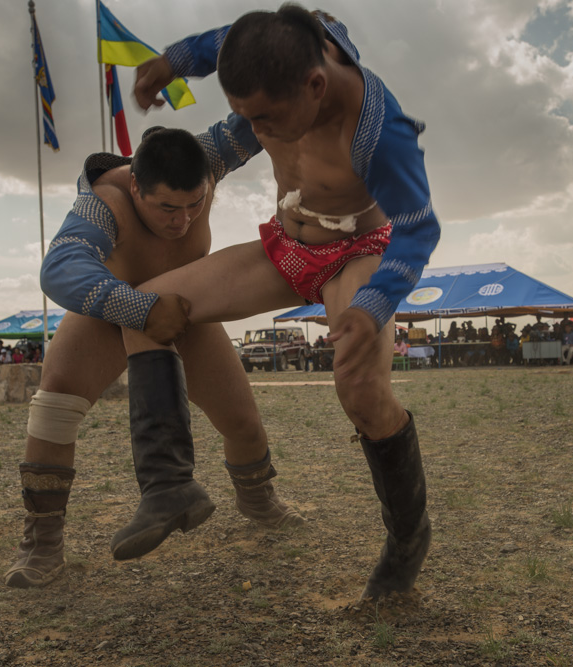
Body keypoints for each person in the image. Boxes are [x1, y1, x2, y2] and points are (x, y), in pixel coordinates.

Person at [129, 5, 439, 601]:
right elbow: (213, 46)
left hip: (358, 253)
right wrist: (168, 63)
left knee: (360, 390)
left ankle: (407, 538)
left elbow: (418, 227)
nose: (253, 132)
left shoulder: (380, 130)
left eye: (265, 118)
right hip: (286, 246)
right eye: (245, 115)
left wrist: (372, 304)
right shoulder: (264, 48)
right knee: (145, 307)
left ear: (315, 86)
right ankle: (168, 484)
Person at [4, 127, 302, 589]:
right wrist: (139, 309)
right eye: (167, 208)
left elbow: (262, 114)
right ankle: (42, 541)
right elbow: (61, 267)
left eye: (194, 205)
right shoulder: (104, 203)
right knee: (54, 408)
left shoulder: (208, 157)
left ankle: (257, 497)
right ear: (135, 186)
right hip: (110, 310)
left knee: (242, 421)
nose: (182, 221)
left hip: (183, 310)